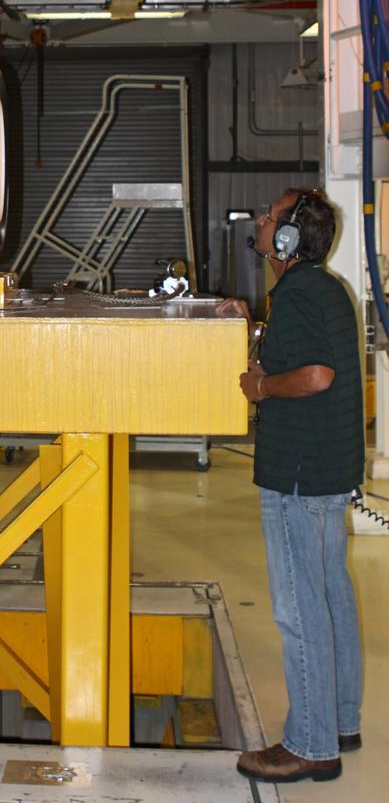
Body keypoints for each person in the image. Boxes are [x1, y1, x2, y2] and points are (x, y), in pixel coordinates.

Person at [218, 187, 364, 787]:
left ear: (285, 240)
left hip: (299, 476)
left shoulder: (301, 292)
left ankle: (309, 746)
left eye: (270, 218)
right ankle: (338, 721)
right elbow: (302, 355)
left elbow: (315, 374)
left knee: (300, 609)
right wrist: (252, 329)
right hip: (326, 470)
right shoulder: (320, 289)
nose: (259, 220)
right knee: (330, 596)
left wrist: (261, 389)